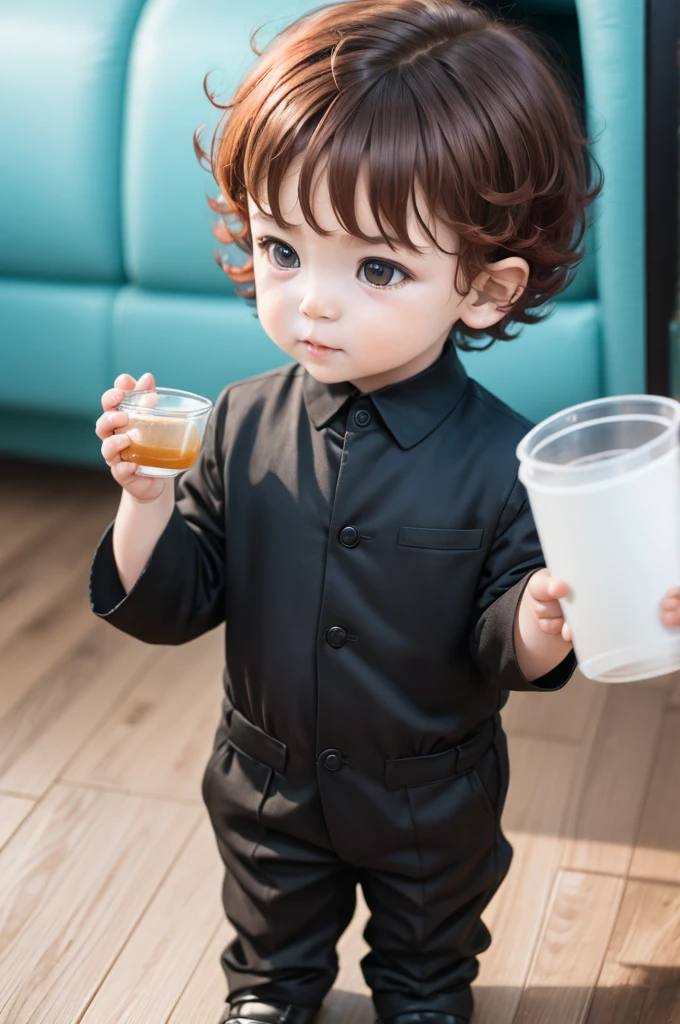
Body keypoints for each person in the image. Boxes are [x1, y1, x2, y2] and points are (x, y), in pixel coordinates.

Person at [91, 1, 618, 1021]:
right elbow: (174, 605)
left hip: (430, 792)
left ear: (483, 288)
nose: (312, 301)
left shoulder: (503, 462)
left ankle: (419, 998)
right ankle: (269, 998)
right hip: (265, 780)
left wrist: (543, 616)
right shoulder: (240, 422)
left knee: (428, 954)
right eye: (282, 249)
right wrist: (146, 503)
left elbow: (503, 644)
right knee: (268, 942)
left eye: (376, 268)